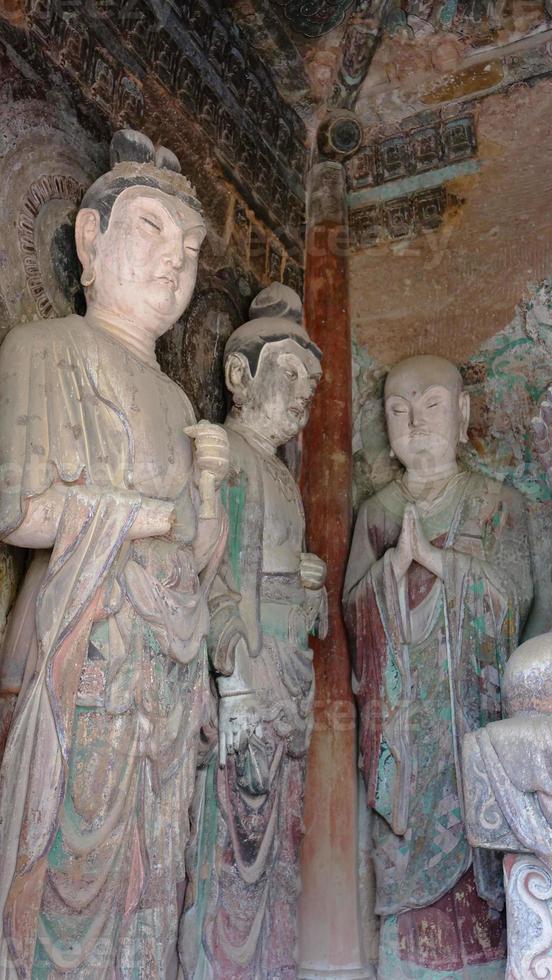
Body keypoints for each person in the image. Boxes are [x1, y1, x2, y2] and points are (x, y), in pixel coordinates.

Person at [0, 129, 229, 980]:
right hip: (83, 654)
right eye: (151, 228)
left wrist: (206, 501)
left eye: (192, 247)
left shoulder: (174, 398)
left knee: (156, 871)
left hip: (165, 673)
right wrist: (146, 517)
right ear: (90, 241)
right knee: (69, 868)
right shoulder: (43, 351)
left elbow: (195, 561)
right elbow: (20, 509)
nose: (176, 259)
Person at [343, 354, 533, 979]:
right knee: (399, 849)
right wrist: (393, 569)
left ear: (463, 416)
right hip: (404, 724)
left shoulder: (498, 504)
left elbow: (518, 598)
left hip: (474, 712)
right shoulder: (375, 512)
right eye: (399, 410)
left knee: (487, 839)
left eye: (431, 407)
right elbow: (351, 612)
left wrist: (444, 565)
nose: (415, 422)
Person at [181, 284, 327, 980]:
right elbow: (208, 571)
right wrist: (235, 671)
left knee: (279, 845)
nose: (303, 393)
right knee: (231, 832)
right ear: (240, 376)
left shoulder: (283, 476)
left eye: (312, 381)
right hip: (244, 674)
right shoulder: (226, 457)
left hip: (286, 674)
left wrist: (309, 588)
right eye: (290, 373)